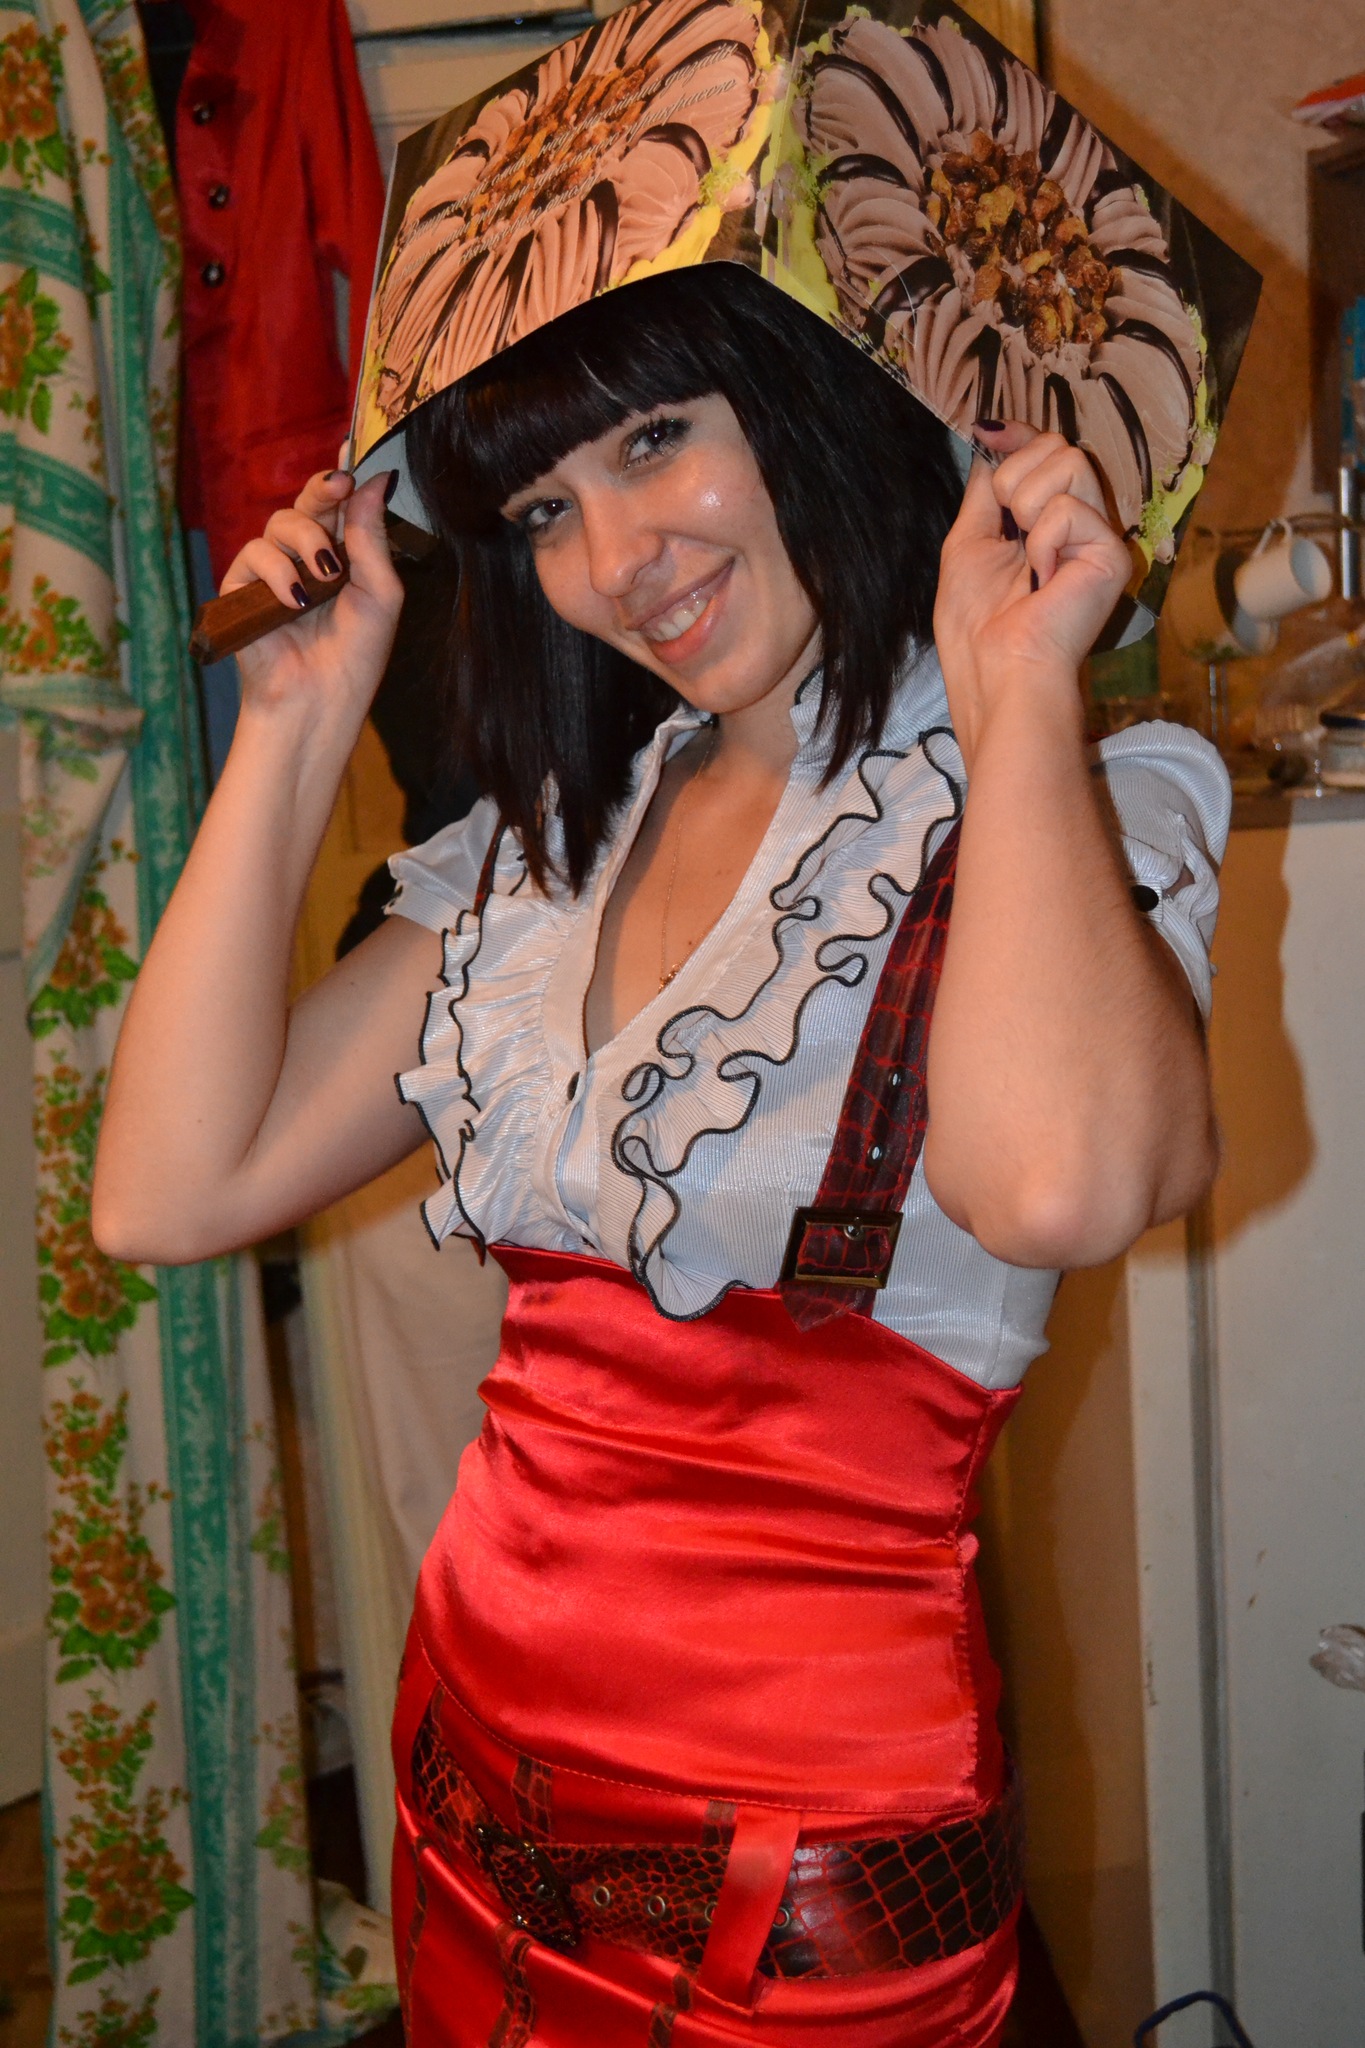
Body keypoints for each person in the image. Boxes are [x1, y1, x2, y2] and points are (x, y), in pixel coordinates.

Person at [93, 265, 1226, 2046]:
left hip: (798, 1873)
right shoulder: (559, 843)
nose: (615, 561)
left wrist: (1015, 690)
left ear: (809, 400)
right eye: (545, 511)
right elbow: (167, 1191)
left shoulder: (1059, 801)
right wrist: (297, 726)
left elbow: (1061, 1187)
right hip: (470, 1790)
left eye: (653, 440)